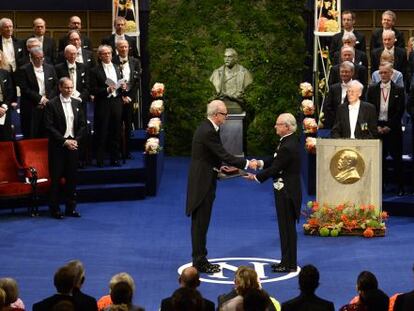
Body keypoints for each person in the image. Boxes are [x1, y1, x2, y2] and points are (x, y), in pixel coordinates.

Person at [186, 99, 257, 273]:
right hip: (202, 183)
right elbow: (223, 153)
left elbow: (211, 155)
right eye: (225, 114)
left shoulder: (209, 128)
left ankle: (201, 258)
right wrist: (247, 163)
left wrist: (219, 167)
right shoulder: (208, 131)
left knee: (201, 223)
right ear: (216, 115)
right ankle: (199, 261)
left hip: (205, 178)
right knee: (200, 223)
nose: (227, 117)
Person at [244, 113, 301, 273]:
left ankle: (288, 263)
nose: (275, 126)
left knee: (287, 228)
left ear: (287, 127)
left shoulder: (288, 145)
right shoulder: (288, 141)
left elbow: (276, 167)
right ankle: (287, 260)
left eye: (278, 124)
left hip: (286, 191)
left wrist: (256, 177)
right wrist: (260, 163)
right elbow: (275, 159)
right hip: (286, 189)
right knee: (285, 228)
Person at [44, 77, 86, 219]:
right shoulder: (51, 104)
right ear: (60, 88)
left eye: (71, 87)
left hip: (73, 146)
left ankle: (70, 208)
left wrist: (75, 140)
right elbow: (49, 126)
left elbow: (82, 125)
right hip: (58, 147)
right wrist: (64, 141)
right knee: (56, 180)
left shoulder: (77, 103)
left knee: (72, 179)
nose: (69, 90)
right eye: (67, 87)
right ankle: (54, 209)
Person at [367, 62, 405, 195]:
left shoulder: (399, 90)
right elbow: (369, 110)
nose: (383, 75)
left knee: (397, 159)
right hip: (377, 127)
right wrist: (376, 126)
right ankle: (380, 186)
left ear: (391, 73)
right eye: (381, 72)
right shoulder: (372, 89)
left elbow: (400, 111)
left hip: (393, 129)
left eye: (385, 72)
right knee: (379, 159)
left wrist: (389, 126)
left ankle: (400, 187)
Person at [90, 45, 126, 167]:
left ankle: (115, 158)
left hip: (116, 102)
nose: (107, 55)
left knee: (116, 131)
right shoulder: (95, 70)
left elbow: (121, 83)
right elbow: (93, 89)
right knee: (102, 131)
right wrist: (106, 90)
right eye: (104, 54)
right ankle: (100, 159)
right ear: (99, 56)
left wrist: (123, 87)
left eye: (109, 53)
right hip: (103, 103)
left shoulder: (117, 67)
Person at [17, 46, 57, 138]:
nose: (40, 60)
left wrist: (48, 99)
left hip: (48, 106)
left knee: (47, 133)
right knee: (31, 134)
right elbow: (25, 89)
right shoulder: (24, 70)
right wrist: (41, 99)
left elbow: (55, 85)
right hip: (31, 107)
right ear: (31, 58)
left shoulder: (50, 68)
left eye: (41, 58)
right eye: (37, 58)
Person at [113, 39, 141, 160]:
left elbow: (136, 82)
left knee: (128, 126)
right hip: (116, 99)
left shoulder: (135, 62)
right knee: (116, 126)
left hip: (129, 99)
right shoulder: (112, 61)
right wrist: (120, 96)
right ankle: (117, 152)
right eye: (121, 47)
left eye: (125, 47)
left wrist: (129, 96)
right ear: (117, 49)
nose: (124, 49)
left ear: (129, 48)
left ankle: (127, 151)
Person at [209, 48, 253, 113]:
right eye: (225, 57)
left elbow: (248, 82)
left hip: (237, 105)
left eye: (229, 57)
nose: (226, 59)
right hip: (222, 104)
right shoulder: (216, 73)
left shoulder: (244, 73)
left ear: (235, 58)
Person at [323, 61, 353, 129]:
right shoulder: (333, 88)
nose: (344, 74)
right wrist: (336, 119)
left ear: (352, 73)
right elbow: (328, 106)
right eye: (342, 72)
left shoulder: (357, 87)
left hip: (352, 121)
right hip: (335, 123)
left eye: (346, 72)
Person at [0, 60, 15, 141]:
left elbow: (10, 91)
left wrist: (4, 106)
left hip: (4, 108)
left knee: (6, 137)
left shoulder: (5, 73)